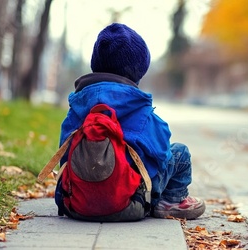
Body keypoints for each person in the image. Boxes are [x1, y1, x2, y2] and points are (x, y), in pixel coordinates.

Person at [55, 23, 205, 220]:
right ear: (138, 70)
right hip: (130, 201)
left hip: (76, 203)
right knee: (180, 152)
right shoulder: (139, 108)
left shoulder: (78, 105)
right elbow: (162, 153)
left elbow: (64, 154)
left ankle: (85, 197)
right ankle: (171, 200)